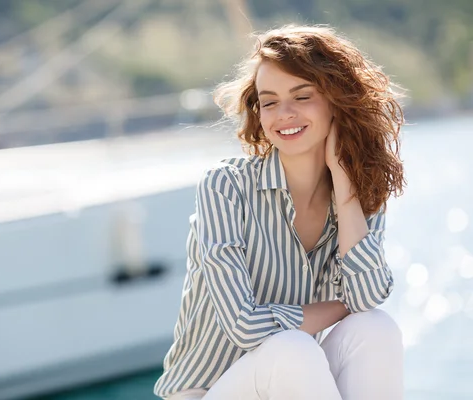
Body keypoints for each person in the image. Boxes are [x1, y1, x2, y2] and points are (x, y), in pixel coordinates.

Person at [153, 25, 406, 400]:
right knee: (293, 347)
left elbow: (367, 298)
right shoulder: (226, 187)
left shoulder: (361, 190)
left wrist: (344, 184)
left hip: (294, 382)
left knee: (376, 328)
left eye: (302, 96)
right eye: (269, 102)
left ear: (337, 101)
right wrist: (340, 306)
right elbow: (244, 325)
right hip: (204, 392)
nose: (284, 114)